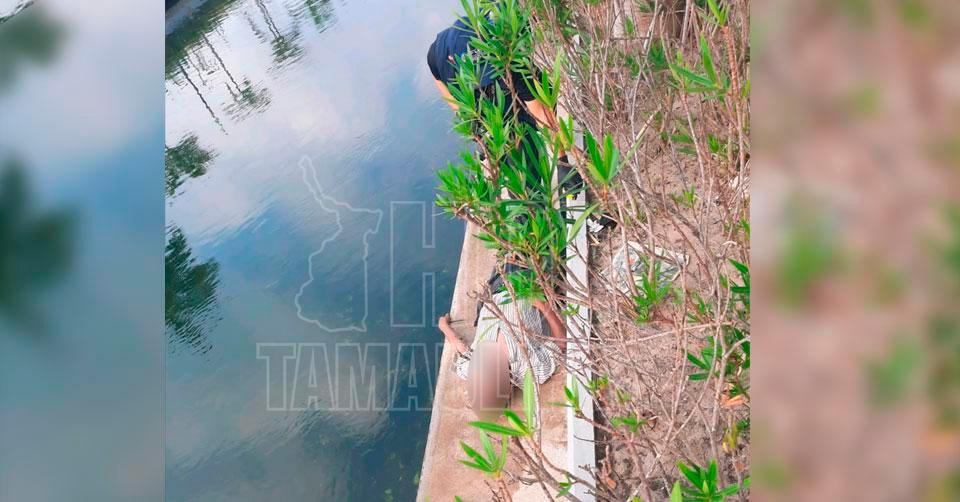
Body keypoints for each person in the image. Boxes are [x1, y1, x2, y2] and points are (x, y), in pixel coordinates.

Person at [437, 286, 566, 411]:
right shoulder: (533, 368)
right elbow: (561, 343)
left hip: (493, 294)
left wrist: (443, 326)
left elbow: (457, 344)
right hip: (527, 290)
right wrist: (544, 306)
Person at [426, 17, 559, 135]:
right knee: (484, 122)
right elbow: (451, 96)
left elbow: (541, 112)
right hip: (462, 81)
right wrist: (472, 123)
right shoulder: (437, 57)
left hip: (506, 70)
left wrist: (559, 152)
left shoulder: (507, 55)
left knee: (538, 111)